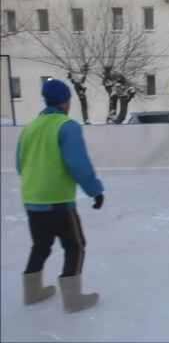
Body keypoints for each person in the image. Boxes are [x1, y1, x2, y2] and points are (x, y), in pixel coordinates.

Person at [16, 79, 104, 312]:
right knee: (75, 246)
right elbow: (78, 165)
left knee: (41, 246)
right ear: (66, 101)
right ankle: (73, 299)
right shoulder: (67, 126)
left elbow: (19, 165)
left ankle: (32, 292)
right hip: (58, 201)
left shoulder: (30, 128)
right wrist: (95, 191)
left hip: (31, 199)